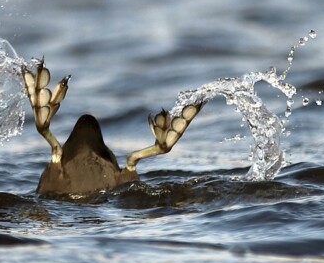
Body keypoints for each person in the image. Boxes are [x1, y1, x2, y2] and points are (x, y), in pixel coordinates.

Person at [21, 60, 204, 196]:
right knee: (127, 181)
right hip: (109, 179)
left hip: (63, 183)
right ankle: (142, 156)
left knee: (51, 194)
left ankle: (46, 132)